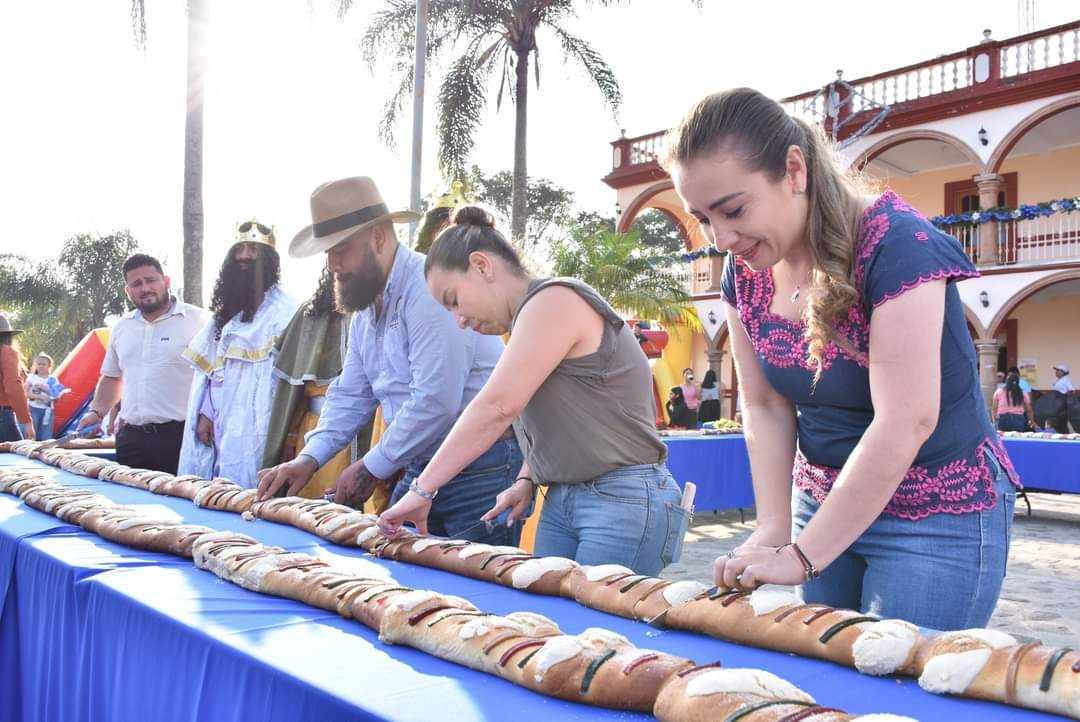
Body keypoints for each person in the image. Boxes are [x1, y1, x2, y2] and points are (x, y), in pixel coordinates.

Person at [668, 88, 1019, 630]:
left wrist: (803, 556)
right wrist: (774, 527)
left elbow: (907, 420)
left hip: (936, 510)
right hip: (820, 499)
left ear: (793, 170)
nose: (721, 239)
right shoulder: (745, 270)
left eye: (733, 210)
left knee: (902, 694)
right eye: (703, 218)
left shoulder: (898, 246)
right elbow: (763, 403)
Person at [376, 205, 688, 576]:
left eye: (454, 300)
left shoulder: (553, 301)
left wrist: (422, 490)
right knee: (547, 624)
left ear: (481, 266)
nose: (458, 321)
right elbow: (562, 414)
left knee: (595, 631)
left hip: (622, 499)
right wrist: (526, 477)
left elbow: (497, 407)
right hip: (563, 497)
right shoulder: (528, 319)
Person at [257, 177, 522, 548]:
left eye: (341, 249)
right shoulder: (366, 305)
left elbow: (436, 400)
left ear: (379, 237)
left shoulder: (428, 290)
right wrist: (309, 459)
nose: (333, 264)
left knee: (470, 594)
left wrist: (369, 467)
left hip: (480, 467)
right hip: (424, 465)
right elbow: (351, 392)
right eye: (328, 252)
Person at [178, 221, 298, 487]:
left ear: (268, 259)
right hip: (221, 422)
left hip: (260, 423)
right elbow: (210, 372)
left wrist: (289, 434)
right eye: (240, 249)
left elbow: (294, 383)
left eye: (253, 250)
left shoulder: (288, 312)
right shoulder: (226, 312)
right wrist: (206, 413)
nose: (244, 256)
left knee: (250, 490)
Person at [78, 255, 207, 471]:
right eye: (136, 284)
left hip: (182, 438)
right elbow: (112, 377)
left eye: (151, 280)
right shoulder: (121, 327)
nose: (145, 288)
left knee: (179, 503)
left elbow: (217, 377)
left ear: (166, 281)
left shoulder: (200, 321)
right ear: (127, 291)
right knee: (126, 503)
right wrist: (97, 412)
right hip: (131, 440)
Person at [261, 266, 377, 502]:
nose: (339, 263)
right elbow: (292, 394)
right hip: (318, 431)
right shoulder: (309, 314)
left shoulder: (379, 311)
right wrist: (292, 440)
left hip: (375, 430)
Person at [0, 315, 34, 442]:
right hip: (2, 416)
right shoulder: (6, 352)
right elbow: (13, 387)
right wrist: (26, 420)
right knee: (16, 458)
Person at [25, 353, 67, 440]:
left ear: (49, 366)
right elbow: (25, 393)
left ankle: (44, 450)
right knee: (32, 434)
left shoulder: (52, 379)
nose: (41, 366)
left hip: (47, 411)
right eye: (39, 364)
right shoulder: (32, 377)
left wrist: (46, 389)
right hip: (33, 409)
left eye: (44, 364)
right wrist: (39, 396)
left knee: (46, 435)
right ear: (35, 365)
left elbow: (56, 396)